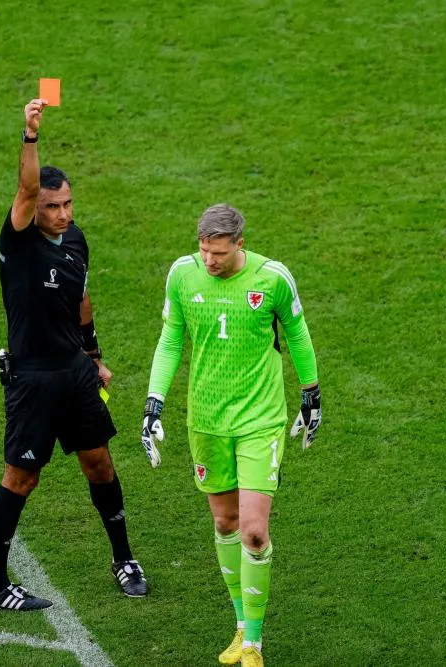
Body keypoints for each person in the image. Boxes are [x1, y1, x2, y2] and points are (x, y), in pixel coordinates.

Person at [0, 98, 148, 611]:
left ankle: (123, 559)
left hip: (75, 374)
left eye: (67, 203)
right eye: (53, 207)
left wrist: (94, 354)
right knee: (21, 477)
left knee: (99, 463)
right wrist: (30, 135)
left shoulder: (74, 240)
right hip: (33, 379)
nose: (62, 214)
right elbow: (27, 189)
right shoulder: (20, 240)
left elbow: (81, 298)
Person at [141, 204, 321, 667]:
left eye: (219, 253)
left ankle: (255, 644)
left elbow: (297, 334)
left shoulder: (273, 279)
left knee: (255, 532)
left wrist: (311, 392)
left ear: (239, 244)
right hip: (206, 420)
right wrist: (153, 401)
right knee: (224, 523)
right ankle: (240, 626)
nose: (210, 262)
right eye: (204, 251)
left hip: (260, 419)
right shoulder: (183, 275)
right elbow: (171, 338)